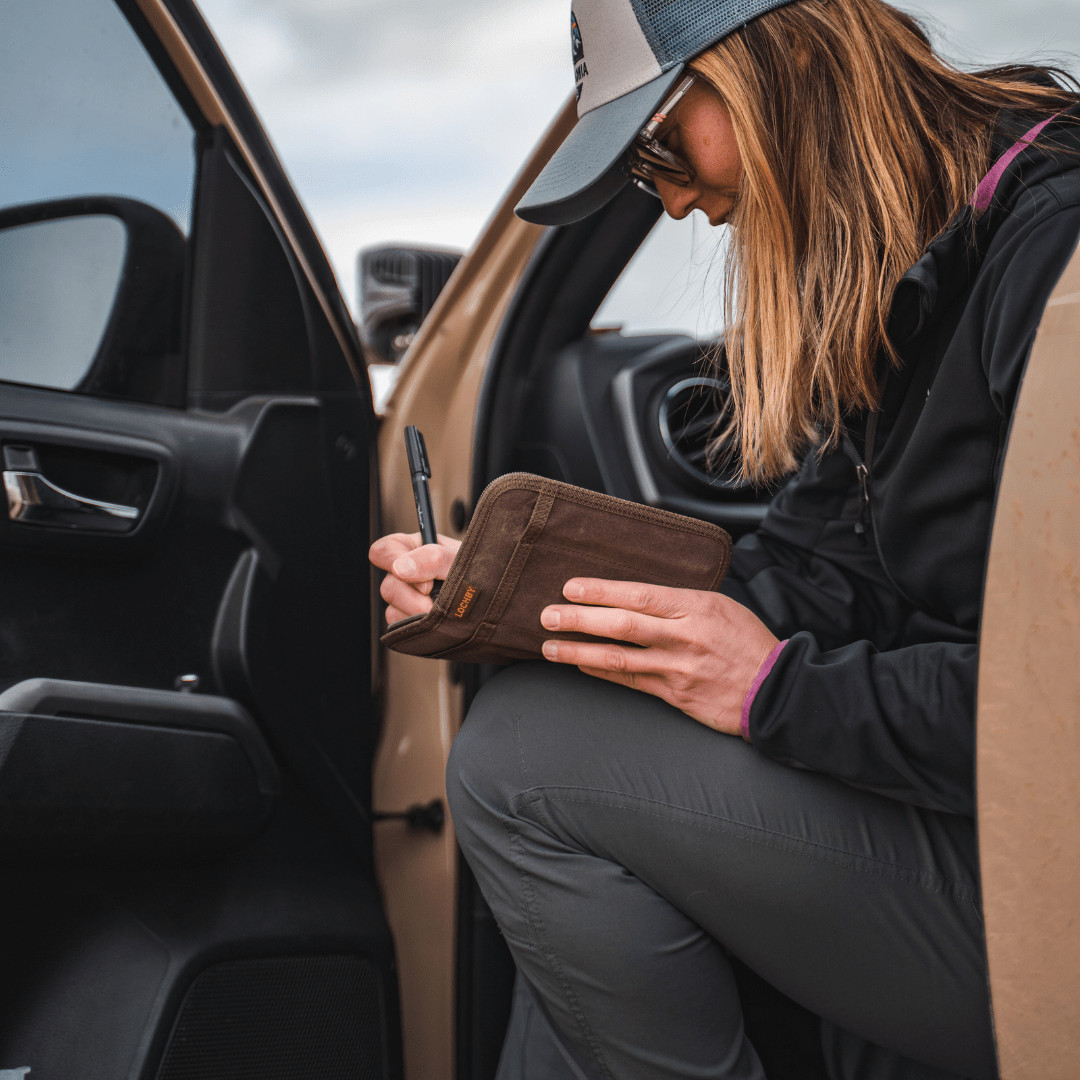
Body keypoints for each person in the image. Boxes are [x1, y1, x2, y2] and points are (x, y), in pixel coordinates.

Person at [369, 0, 1080, 1076]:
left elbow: (1059, 709)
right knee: (553, 762)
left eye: (660, 143)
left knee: (524, 766)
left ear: (782, 61)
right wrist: (535, 600)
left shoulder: (1055, 258)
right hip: (981, 823)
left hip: (1049, 876)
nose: (676, 203)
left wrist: (781, 694)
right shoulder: (919, 274)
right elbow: (817, 577)